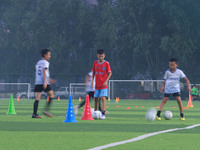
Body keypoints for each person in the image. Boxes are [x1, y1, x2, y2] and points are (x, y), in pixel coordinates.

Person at [32, 49, 56, 118]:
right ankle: (46, 110)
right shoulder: (46, 62)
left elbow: (40, 73)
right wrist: (45, 81)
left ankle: (34, 114)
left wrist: (49, 79)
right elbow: (44, 71)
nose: (50, 56)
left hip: (37, 82)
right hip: (43, 82)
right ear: (45, 55)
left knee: (37, 99)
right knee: (51, 95)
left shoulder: (38, 62)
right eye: (49, 55)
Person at [91, 49, 112, 119]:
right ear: (97, 56)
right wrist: (92, 81)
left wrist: (106, 81)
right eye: (99, 56)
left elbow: (110, 73)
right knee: (96, 99)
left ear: (104, 56)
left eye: (102, 56)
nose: (101, 58)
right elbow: (93, 72)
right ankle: (96, 112)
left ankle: (103, 113)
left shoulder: (106, 63)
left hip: (103, 85)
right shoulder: (95, 63)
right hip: (97, 85)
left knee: (103, 98)